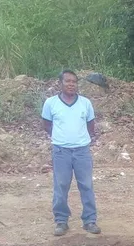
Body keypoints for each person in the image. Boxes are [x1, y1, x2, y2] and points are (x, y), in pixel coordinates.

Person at [42, 70, 100, 236]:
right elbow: (47, 125)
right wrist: (62, 139)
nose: (71, 84)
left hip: (82, 151)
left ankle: (89, 220)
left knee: (86, 185)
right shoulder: (50, 103)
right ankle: (61, 221)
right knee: (61, 186)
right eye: (67, 81)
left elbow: (91, 126)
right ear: (60, 83)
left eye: (74, 81)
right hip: (61, 151)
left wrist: (80, 140)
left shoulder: (85, 103)